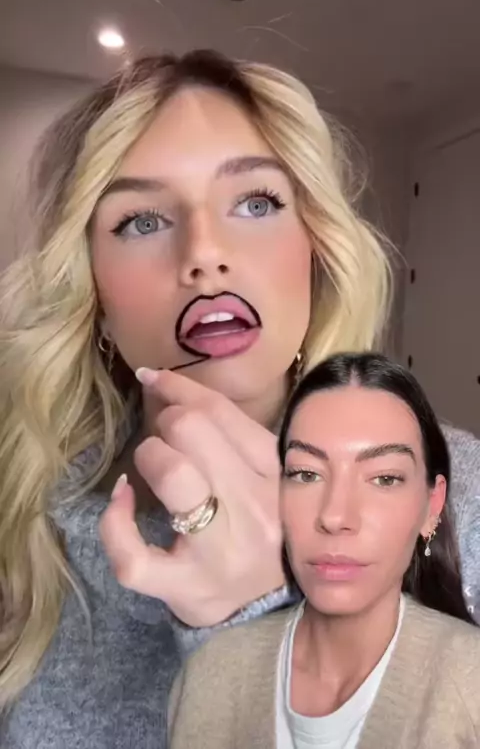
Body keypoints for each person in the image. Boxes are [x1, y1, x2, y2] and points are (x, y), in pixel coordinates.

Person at [0, 50, 478, 749]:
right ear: (94, 294)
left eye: (256, 203)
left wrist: (254, 623)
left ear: (316, 251)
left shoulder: (458, 492)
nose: (204, 254)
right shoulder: (27, 517)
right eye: (142, 220)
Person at [169, 352, 480, 749]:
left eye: (385, 479)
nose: (335, 517)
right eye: (306, 474)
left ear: (431, 506)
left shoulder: (469, 682)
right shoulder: (208, 675)